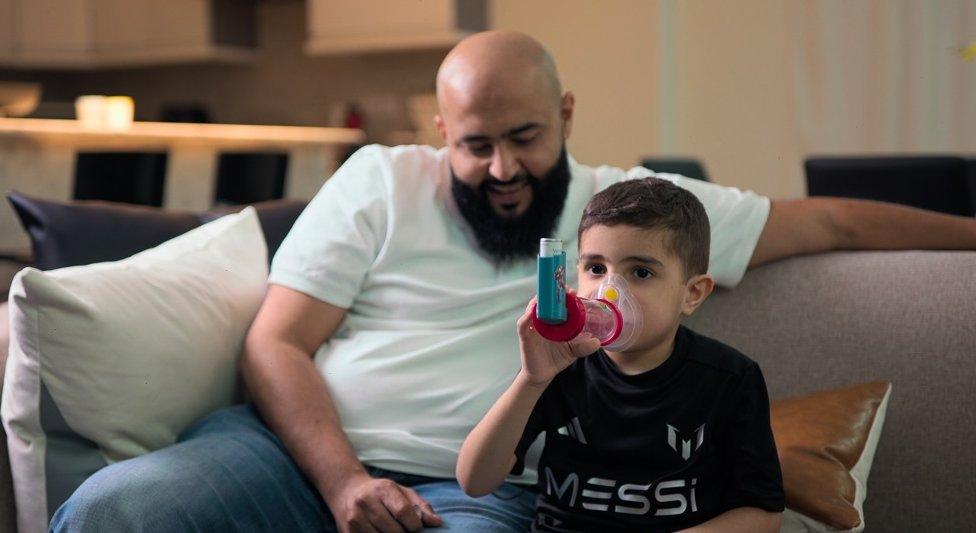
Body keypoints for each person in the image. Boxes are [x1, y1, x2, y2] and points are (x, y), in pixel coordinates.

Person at [52, 30, 976, 533]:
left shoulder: (633, 213)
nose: (500, 168)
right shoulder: (380, 180)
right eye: (474, 144)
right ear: (442, 131)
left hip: (479, 491)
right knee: (118, 505)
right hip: (291, 454)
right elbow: (275, 340)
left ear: (564, 113)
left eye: (525, 138)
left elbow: (837, 221)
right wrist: (341, 481)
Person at [457, 178, 784, 532]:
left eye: (641, 272)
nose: (609, 292)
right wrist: (530, 381)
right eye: (596, 268)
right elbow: (475, 482)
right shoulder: (559, 367)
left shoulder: (730, 378)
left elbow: (763, 513)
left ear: (691, 294)